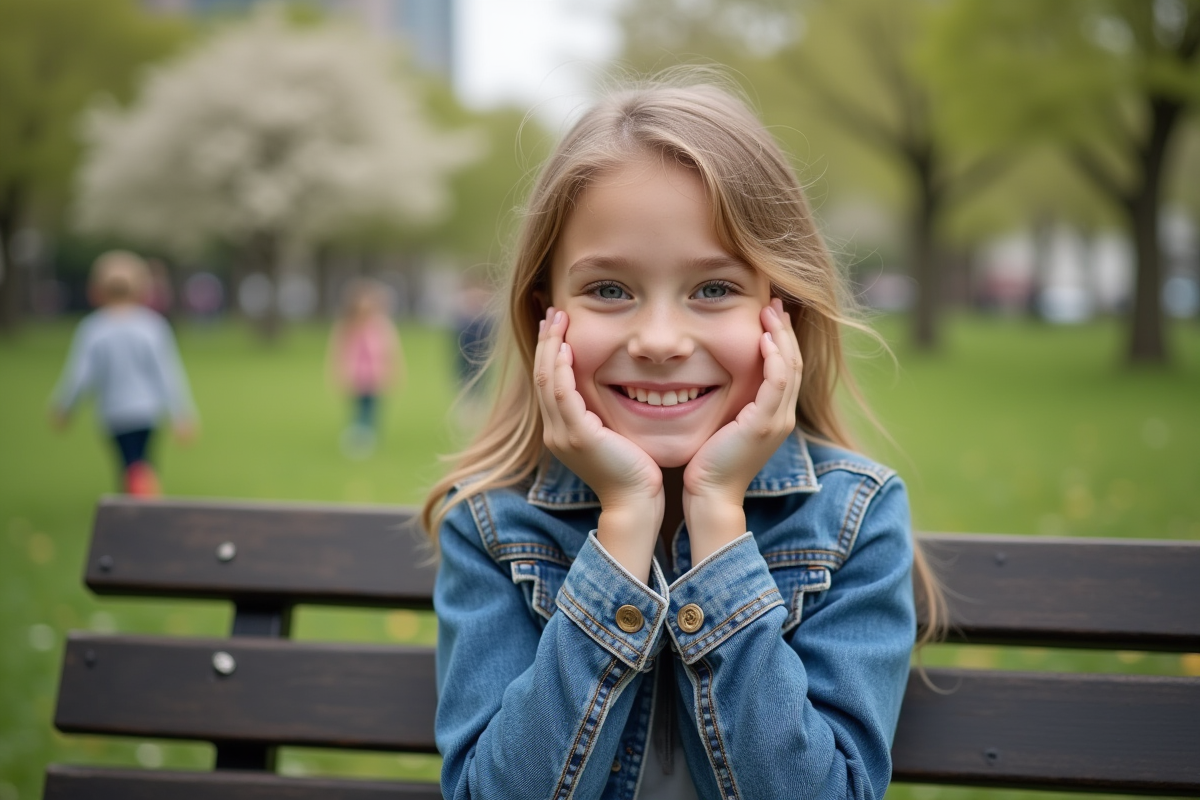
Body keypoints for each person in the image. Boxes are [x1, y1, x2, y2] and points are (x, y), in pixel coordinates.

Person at [421, 75, 944, 800]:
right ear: (548, 316)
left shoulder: (854, 520)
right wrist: (626, 522)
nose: (661, 340)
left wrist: (720, 517)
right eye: (609, 289)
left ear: (781, 312)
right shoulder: (491, 525)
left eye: (712, 289)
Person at [50, 250, 198, 496]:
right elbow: (168, 374)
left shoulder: (94, 328)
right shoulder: (152, 326)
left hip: (114, 411)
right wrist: (182, 414)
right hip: (148, 409)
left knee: (130, 463)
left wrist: (64, 406)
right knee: (139, 461)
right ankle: (138, 504)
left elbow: (80, 375)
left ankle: (138, 507)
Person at [327, 278, 403, 458]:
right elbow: (338, 352)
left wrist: (393, 372)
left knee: (372, 408)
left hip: (375, 376)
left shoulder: (381, 325)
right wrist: (338, 375)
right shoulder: (346, 325)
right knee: (359, 408)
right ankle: (359, 438)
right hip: (355, 376)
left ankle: (368, 437)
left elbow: (390, 350)